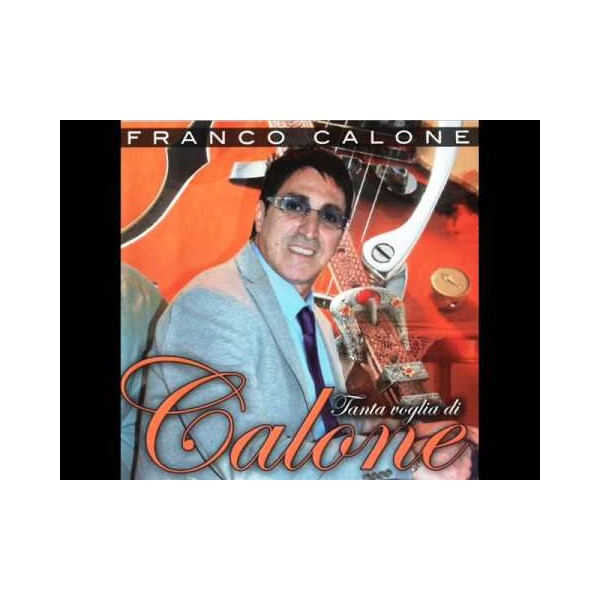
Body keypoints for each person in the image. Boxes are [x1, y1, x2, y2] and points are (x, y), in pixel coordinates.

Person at [133, 147, 473, 479]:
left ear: (340, 236)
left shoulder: (314, 321)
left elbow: (329, 424)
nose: (310, 229)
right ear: (261, 215)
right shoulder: (211, 305)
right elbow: (245, 460)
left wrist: (415, 436)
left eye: (329, 217)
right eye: (294, 206)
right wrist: (407, 463)